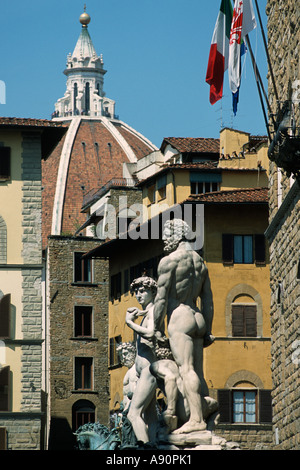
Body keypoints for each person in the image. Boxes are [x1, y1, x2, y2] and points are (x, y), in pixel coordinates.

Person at [153, 219, 214, 434]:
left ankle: (196, 420)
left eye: (167, 234)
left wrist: (157, 327)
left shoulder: (169, 261)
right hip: (197, 317)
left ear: (177, 235)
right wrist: (208, 330)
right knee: (197, 371)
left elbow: (160, 299)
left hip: (180, 316)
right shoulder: (200, 262)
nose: (164, 239)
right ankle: (201, 412)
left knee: (186, 370)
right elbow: (207, 300)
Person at [125, 276, 158, 444]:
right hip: (145, 371)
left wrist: (130, 323)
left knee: (133, 413)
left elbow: (151, 333)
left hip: (149, 370)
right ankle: (153, 444)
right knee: (150, 417)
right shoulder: (145, 313)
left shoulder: (153, 311)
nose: (138, 295)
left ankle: (144, 448)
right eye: (136, 292)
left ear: (153, 292)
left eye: (143, 291)